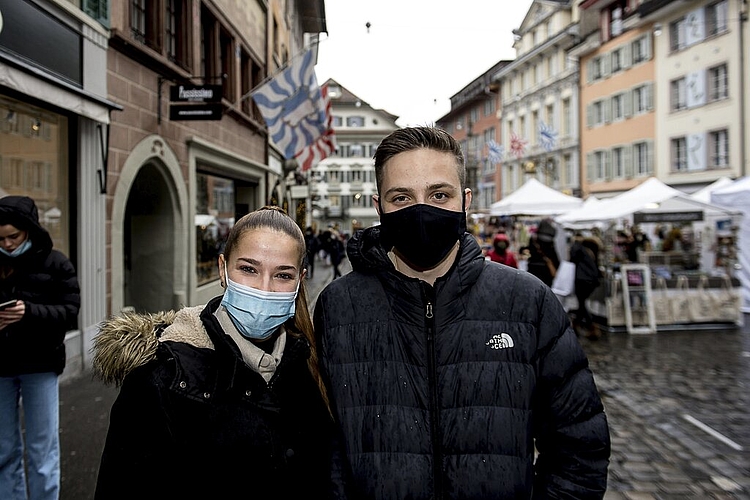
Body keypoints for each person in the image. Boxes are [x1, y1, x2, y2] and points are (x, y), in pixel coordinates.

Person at [313, 126, 610, 498]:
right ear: (379, 207)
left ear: (465, 201)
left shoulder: (526, 301)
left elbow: (579, 446)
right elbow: (326, 449)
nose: (421, 210)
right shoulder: (339, 307)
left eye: (439, 194)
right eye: (402, 197)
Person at [93, 206, 334, 498]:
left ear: (300, 280)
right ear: (223, 269)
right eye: (248, 269)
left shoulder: (311, 364)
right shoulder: (161, 378)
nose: (264, 289)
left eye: (283, 275)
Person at [0, 196, 80, 500]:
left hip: (40, 364)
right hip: (1, 366)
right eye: (1, 238)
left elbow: (70, 312)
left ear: (29, 231)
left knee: (42, 449)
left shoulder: (55, 262)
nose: (7, 244)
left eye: (13, 237)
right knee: (3, 449)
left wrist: (28, 312)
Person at [569, 233, 603, 339]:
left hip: (582, 279)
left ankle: (592, 326)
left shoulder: (580, 249)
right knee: (581, 303)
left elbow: (572, 257)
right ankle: (576, 325)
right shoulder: (591, 252)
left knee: (582, 303)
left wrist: (576, 241)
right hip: (590, 280)